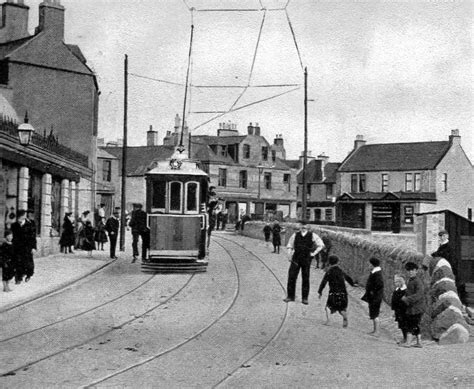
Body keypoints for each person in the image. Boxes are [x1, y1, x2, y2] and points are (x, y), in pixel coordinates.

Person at [284, 222, 325, 305]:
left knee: (305, 278)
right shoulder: (295, 235)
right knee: (292, 276)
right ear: (300, 226)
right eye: (302, 225)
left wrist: (313, 253)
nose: (303, 227)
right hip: (296, 258)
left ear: (308, 227)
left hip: (306, 259)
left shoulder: (312, 235)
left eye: (305, 226)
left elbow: (321, 245)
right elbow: (290, 245)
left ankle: (305, 298)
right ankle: (290, 296)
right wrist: (289, 255)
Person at [318, 255, 356, 327]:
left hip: (333, 292)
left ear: (329, 262)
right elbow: (348, 278)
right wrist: (353, 284)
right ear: (337, 262)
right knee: (341, 308)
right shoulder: (341, 271)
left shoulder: (329, 272)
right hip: (343, 292)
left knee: (328, 307)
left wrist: (320, 291)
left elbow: (323, 282)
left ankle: (328, 321)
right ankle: (344, 316)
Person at [401, 262, 426, 348]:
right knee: (416, 325)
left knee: (411, 324)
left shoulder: (418, 282)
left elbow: (419, 295)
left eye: (412, 270)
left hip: (416, 307)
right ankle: (419, 342)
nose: (410, 272)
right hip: (412, 307)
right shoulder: (411, 281)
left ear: (416, 271)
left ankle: (408, 343)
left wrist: (407, 299)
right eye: (409, 271)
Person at [11, 209, 37, 283]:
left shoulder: (29, 225)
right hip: (18, 247)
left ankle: (29, 275)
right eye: (19, 217)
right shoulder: (14, 225)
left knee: (28, 263)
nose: (20, 219)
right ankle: (19, 277)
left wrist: (33, 247)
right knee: (18, 263)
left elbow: (33, 237)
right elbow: (13, 237)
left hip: (27, 247)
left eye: (22, 217)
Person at [361, 257, 384, 336]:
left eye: (369, 263)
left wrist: (372, 291)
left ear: (372, 264)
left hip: (375, 297)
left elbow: (379, 285)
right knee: (373, 313)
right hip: (374, 296)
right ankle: (375, 330)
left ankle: (377, 331)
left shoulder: (377, 273)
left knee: (375, 314)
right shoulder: (376, 272)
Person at [391, 274, 408, 345]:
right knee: (400, 324)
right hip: (398, 310)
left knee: (404, 324)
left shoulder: (405, 290)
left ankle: (406, 338)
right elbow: (393, 300)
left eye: (396, 282)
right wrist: (393, 310)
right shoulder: (396, 290)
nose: (395, 283)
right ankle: (404, 337)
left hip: (403, 310)